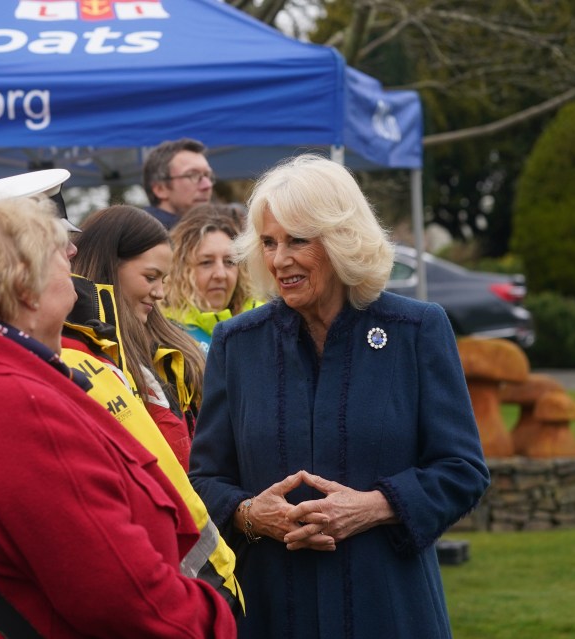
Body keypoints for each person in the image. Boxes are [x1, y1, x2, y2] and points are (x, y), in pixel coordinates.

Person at [0, 195, 236, 638]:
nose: (73, 256)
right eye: (57, 248)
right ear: (24, 285)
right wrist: (219, 622)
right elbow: (127, 598)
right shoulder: (13, 407)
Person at [188, 154, 490, 638]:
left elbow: (462, 470)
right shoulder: (238, 343)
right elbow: (203, 479)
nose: (279, 259)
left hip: (389, 606)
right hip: (272, 607)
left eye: (297, 241)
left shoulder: (416, 330)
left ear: (341, 239)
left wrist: (374, 506)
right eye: (268, 242)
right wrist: (250, 515)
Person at [71, 205, 205, 470]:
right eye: (150, 277)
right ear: (110, 267)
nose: (160, 293)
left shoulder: (175, 347)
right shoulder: (77, 346)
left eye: (163, 280)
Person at [163, 203, 259, 353]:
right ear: (178, 269)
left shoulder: (262, 322)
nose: (220, 274)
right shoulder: (164, 332)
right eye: (206, 262)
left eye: (229, 262)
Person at [141, 138, 215, 229]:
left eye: (208, 175)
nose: (207, 185)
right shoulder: (144, 238)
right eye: (193, 175)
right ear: (160, 189)